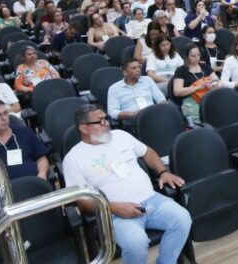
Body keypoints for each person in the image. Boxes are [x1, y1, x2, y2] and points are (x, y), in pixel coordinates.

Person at [63, 104, 191, 264]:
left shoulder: (120, 136)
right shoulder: (73, 159)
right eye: (101, 121)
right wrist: (114, 208)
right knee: (136, 243)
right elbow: (81, 201)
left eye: (106, 119)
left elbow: (148, 152)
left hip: (151, 200)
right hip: (115, 214)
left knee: (183, 219)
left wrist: (163, 172)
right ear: (84, 128)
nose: (107, 124)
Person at [171, 45, 217, 125]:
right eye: (193, 56)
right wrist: (198, 87)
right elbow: (177, 91)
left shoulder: (204, 67)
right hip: (191, 100)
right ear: (187, 57)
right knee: (201, 119)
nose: (196, 58)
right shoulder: (181, 70)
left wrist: (212, 85)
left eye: (198, 55)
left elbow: (217, 81)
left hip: (209, 97)